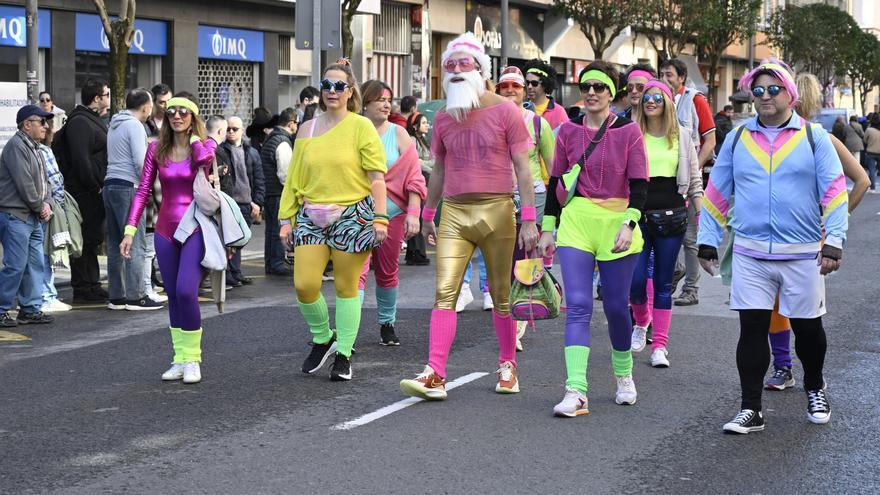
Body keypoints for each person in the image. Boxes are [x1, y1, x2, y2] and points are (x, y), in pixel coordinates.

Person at [698, 60, 847, 433]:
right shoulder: (737, 137)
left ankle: (815, 386)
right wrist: (707, 240)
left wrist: (834, 243)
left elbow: (835, 193)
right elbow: (717, 191)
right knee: (752, 328)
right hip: (750, 253)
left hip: (802, 254)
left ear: (790, 94)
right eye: (758, 90)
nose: (764, 97)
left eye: (773, 89)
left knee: (808, 330)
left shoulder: (814, 137)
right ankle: (751, 408)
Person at [399, 33, 538, 400]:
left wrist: (528, 219)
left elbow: (524, 169)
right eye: (450, 65)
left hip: (498, 210)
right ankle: (436, 373)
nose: (457, 70)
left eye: (465, 63)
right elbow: (440, 169)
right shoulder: (444, 116)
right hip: (455, 213)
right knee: (444, 293)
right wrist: (429, 214)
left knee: (501, 294)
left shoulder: (506, 111)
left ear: (481, 69)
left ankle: (508, 364)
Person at [538, 61, 648, 417]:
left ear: (612, 92)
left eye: (599, 87)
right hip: (577, 222)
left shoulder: (629, 132)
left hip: (618, 223)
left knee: (617, 307)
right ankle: (576, 391)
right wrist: (548, 228)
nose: (591, 92)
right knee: (579, 305)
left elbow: (640, 186)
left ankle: (624, 374)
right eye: (586, 86)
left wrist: (629, 224)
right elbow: (557, 182)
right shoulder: (568, 132)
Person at [759, 72, 869, 391]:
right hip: (774, 234)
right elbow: (862, 182)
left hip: (808, 237)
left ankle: (799, 373)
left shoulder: (820, 137)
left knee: (797, 309)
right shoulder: (767, 137)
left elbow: (862, 180)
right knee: (778, 304)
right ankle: (785, 367)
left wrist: (836, 218)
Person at [278, 62, 389, 381]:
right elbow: (294, 178)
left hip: (353, 214)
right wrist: (286, 219)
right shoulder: (307, 129)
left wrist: (380, 218)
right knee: (305, 284)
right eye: (326, 85)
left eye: (339, 86)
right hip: (311, 215)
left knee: (346, 287)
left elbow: (377, 178)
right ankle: (323, 336)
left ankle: (343, 354)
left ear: (350, 91)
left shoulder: (360, 127)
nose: (331, 92)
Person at [121, 96, 226, 384]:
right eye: (171, 112)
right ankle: (179, 358)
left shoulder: (202, 147)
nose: (176, 116)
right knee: (173, 297)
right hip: (165, 231)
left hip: (195, 229)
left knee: (185, 291)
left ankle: (193, 359)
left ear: (193, 116)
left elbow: (205, 159)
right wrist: (130, 230)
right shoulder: (155, 148)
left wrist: (194, 139)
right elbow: (143, 191)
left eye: (183, 112)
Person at [629, 80, 703, 368]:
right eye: (646, 97)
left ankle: (659, 345)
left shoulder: (682, 136)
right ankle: (641, 321)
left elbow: (695, 182)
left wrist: (704, 218)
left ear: (668, 102)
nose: (650, 101)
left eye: (657, 97)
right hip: (636, 217)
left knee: (662, 283)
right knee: (634, 283)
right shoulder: (632, 134)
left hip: (672, 218)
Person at [356, 80, 426, 346]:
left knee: (387, 271)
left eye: (389, 100)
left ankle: (387, 324)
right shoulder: (352, 130)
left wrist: (414, 213)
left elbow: (414, 178)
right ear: (365, 103)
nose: (386, 105)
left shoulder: (398, 134)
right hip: (357, 215)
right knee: (356, 274)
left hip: (393, 214)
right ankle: (350, 330)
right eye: (380, 100)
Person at [497, 65, 556, 350]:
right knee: (505, 258)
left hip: (533, 197)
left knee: (526, 255)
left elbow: (554, 166)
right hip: (498, 197)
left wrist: (559, 209)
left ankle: (520, 317)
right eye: (505, 86)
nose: (510, 91)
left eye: (516, 86)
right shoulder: (490, 119)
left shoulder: (537, 123)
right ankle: (508, 309)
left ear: (524, 92)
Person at [659, 59, 716, 307]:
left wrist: (694, 169)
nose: (664, 78)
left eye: (668, 74)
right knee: (661, 232)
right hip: (664, 181)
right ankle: (676, 269)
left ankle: (691, 289)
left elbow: (710, 141)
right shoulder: (657, 101)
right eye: (661, 74)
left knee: (690, 238)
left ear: (681, 77)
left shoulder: (696, 101)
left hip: (689, 181)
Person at [104, 88, 163, 311]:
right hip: (129, 186)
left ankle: (117, 296)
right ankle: (136, 296)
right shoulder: (135, 126)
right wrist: (148, 186)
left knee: (115, 242)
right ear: (146, 107)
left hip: (110, 185)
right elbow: (142, 162)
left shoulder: (115, 123)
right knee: (135, 241)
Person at [54, 78, 110, 304]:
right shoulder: (80, 122)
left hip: (91, 190)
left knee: (91, 239)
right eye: (106, 95)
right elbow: (81, 159)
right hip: (84, 192)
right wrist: (94, 185)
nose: (108, 98)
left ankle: (92, 284)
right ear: (96, 99)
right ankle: (83, 287)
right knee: (84, 240)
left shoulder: (90, 120)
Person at [0, 104, 56, 327]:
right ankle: (2, 308)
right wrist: (40, 205)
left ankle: (30, 309)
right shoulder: (17, 146)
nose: (46, 126)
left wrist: (48, 203)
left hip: (31, 216)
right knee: (15, 265)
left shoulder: (34, 147)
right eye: (41, 122)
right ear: (26, 125)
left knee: (34, 264)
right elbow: (25, 184)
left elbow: (45, 183)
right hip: (16, 215)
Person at [220, 115, 265, 287]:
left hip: (248, 203)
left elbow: (259, 179)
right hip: (230, 203)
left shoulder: (251, 152)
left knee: (241, 239)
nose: (231, 132)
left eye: (234, 129)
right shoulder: (221, 151)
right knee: (231, 239)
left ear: (242, 131)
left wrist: (258, 203)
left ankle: (235, 271)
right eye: (228, 129)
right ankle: (231, 272)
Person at [38, 115, 72, 313]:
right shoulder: (43, 151)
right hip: (44, 209)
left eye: (47, 122)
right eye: (42, 122)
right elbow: (56, 181)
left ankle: (40, 296)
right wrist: (56, 205)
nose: (46, 126)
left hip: (36, 208)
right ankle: (46, 296)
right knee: (45, 253)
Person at [260, 108, 298, 276]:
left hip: (268, 191)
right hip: (278, 192)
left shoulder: (271, 138)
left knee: (270, 230)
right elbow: (285, 173)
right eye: (296, 123)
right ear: (291, 124)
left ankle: (270, 262)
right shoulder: (283, 142)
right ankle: (276, 263)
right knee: (278, 229)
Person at [404, 112, 432, 266]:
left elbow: (427, 160)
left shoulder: (422, 141)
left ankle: (413, 252)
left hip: (424, 178)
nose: (427, 125)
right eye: (424, 122)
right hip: (417, 179)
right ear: (415, 126)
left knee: (420, 215)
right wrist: (431, 166)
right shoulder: (412, 140)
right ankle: (416, 252)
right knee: (418, 215)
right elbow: (417, 162)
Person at [523, 59, 568, 130]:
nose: (529, 87)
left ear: (545, 84)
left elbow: (567, 138)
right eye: (527, 83)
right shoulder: (522, 108)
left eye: (534, 83)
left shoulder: (559, 112)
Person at [864, 114, 880, 193]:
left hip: (871, 151)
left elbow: (865, 140)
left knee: (872, 169)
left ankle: (872, 187)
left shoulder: (869, 130)